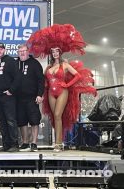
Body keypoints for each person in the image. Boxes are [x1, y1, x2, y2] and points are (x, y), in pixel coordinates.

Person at [27, 24, 96, 152]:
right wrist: (40, 94)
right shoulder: (48, 67)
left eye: (57, 51)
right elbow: (44, 82)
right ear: (51, 53)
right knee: (54, 116)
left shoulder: (64, 64)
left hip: (62, 91)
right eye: (53, 52)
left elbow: (78, 75)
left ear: (60, 52)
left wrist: (67, 85)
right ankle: (58, 142)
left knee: (58, 114)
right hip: (50, 93)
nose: (55, 53)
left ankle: (59, 143)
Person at [0, 42, 21, 152]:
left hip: (8, 96)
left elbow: (18, 77)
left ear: (4, 50)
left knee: (10, 120)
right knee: (1, 121)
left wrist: (11, 90)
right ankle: (6, 144)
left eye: (0, 49)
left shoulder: (10, 61)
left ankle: (14, 144)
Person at [15, 44, 44, 152]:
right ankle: (25, 142)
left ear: (28, 52)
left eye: (24, 51)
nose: (22, 53)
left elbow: (41, 80)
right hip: (18, 98)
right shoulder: (15, 63)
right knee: (22, 121)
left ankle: (34, 143)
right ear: (18, 53)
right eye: (20, 51)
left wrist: (40, 94)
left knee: (34, 120)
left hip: (32, 97)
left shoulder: (35, 63)